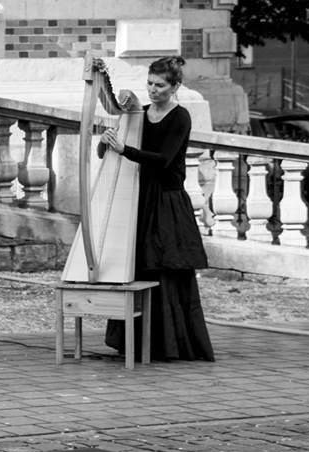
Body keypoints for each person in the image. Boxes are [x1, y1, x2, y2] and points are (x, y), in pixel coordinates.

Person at [100, 56, 215, 362]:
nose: (152, 89)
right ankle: (137, 342)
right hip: (142, 199)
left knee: (166, 268)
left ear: (175, 86)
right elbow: (107, 152)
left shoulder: (181, 117)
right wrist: (107, 140)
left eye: (160, 85)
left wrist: (125, 150)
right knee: (139, 266)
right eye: (149, 83)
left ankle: (171, 344)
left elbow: (164, 160)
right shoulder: (138, 114)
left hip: (167, 200)